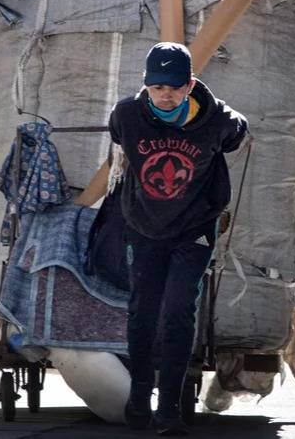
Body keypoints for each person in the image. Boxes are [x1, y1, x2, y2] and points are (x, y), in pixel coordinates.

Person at [76, 42, 248, 435]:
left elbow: (238, 131)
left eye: (172, 86)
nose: (164, 94)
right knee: (142, 310)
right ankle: (139, 396)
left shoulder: (218, 120)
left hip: (194, 230)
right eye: (156, 86)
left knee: (178, 310)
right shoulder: (127, 115)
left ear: (189, 85)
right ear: (146, 86)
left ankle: (168, 406)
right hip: (144, 226)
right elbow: (119, 141)